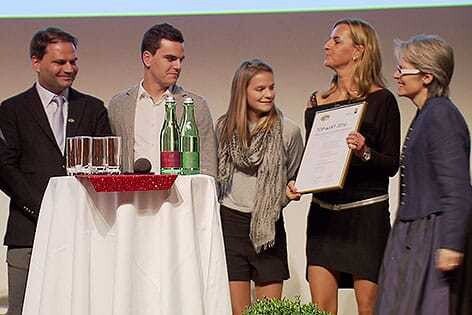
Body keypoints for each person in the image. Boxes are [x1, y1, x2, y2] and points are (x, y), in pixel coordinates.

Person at [286, 18, 400, 315]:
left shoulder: (382, 101)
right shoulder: (317, 102)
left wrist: (364, 151)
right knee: (321, 308)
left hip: (366, 217)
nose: (327, 45)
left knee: (368, 307)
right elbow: (316, 158)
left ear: (358, 51)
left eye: (337, 40)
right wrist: (299, 181)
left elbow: (390, 164)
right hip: (324, 216)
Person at [0, 27, 112, 315]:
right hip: (29, 231)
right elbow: (5, 168)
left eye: (73, 61)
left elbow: (106, 168)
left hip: (84, 232)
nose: (69, 68)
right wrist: (47, 209)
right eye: (60, 62)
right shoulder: (12, 110)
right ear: (36, 62)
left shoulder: (93, 108)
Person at [375, 34, 472, 315]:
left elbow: (457, 188)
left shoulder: (441, 115)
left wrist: (451, 244)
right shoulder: (427, 113)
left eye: (403, 70)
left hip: (432, 232)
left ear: (427, 76)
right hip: (414, 232)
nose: (396, 75)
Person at [217, 59, 304, 315]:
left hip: (268, 226)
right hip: (231, 223)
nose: (268, 94)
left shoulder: (288, 131)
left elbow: (292, 178)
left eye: (271, 87)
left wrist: (286, 197)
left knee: (268, 312)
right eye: (260, 89)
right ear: (242, 91)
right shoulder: (224, 127)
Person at [108, 23, 217, 176]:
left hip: (180, 198)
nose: (178, 66)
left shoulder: (195, 106)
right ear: (147, 59)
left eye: (181, 60)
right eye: (170, 59)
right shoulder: (119, 105)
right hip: (132, 197)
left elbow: (208, 166)